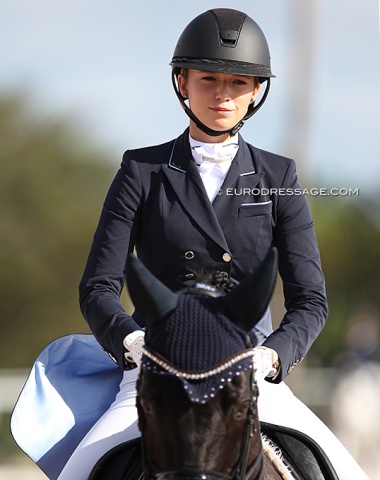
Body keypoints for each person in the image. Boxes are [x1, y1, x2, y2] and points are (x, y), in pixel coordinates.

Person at [57, 8, 369, 480]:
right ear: (182, 82)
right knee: (80, 470)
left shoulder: (278, 176)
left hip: (247, 366)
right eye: (208, 79)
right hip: (158, 364)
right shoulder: (141, 172)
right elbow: (98, 287)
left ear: (257, 91)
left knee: (345, 470)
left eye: (238, 83)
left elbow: (310, 300)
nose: (223, 94)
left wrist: (275, 353)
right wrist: (131, 340)